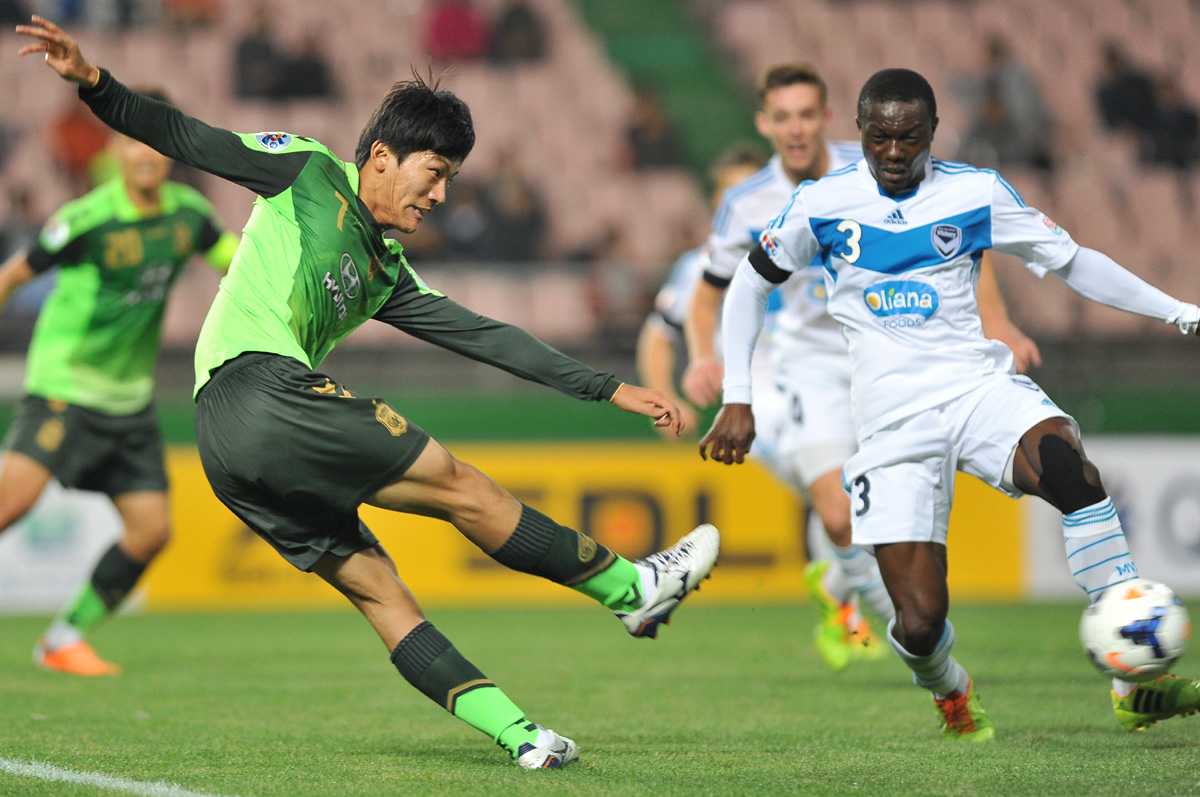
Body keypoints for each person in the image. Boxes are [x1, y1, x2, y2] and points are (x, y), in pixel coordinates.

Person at [17, 15, 720, 770]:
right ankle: (628, 588)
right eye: (436, 171)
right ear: (382, 156)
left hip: (226, 443)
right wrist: (96, 84)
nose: (442, 195)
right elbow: (188, 136)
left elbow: (486, 335)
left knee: (383, 592)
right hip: (260, 387)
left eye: (451, 178)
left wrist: (609, 387)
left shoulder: (386, 273)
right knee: (458, 482)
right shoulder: (307, 172)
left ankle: (523, 737)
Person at [703, 67, 1200, 739]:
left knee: (1068, 465)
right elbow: (745, 288)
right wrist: (738, 394)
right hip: (889, 423)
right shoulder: (822, 203)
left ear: (933, 132)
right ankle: (950, 689)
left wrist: (1177, 311)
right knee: (919, 619)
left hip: (976, 388)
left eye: (910, 137)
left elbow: (1074, 260)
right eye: (880, 137)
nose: (895, 152)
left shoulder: (975, 191)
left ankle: (1134, 677)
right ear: (860, 131)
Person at [683, 62, 1040, 672]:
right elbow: (710, 292)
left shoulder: (883, 156)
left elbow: (963, 238)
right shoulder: (746, 204)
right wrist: (702, 356)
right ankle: (904, 630)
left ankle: (874, 604)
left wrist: (998, 320)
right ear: (765, 123)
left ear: (826, 118)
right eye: (783, 118)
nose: (796, 130)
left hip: (898, 363)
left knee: (892, 519)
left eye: (806, 115)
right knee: (837, 510)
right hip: (811, 367)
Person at [0, 87, 239, 677]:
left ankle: (62, 639)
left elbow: (240, 264)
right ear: (113, 148)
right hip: (67, 391)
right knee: (10, 505)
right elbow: (11, 277)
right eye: (134, 139)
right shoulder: (86, 221)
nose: (146, 153)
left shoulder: (190, 216)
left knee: (152, 531)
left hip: (129, 406)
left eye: (158, 139)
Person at [637, 142, 767, 440]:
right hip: (754, 409)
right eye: (734, 193)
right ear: (717, 200)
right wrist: (665, 401)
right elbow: (658, 336)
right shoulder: (699, 267)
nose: (745, 205)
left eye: (753, 192)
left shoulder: (806, 254)